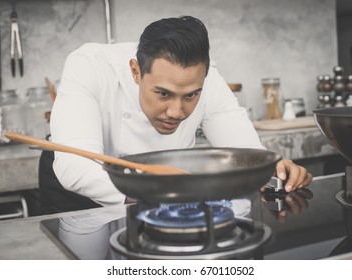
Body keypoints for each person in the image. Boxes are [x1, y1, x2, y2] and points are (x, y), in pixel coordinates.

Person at [39, 16, 313, 214]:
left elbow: (245, 155)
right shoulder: (90, 66)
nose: (176, 112)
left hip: (166, 195)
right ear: (136, 71)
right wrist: (159, 194)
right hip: (82, 194)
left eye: (191, 95)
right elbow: (75, 167)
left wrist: (272, 171)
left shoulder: (210, 81)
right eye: (163, 94)